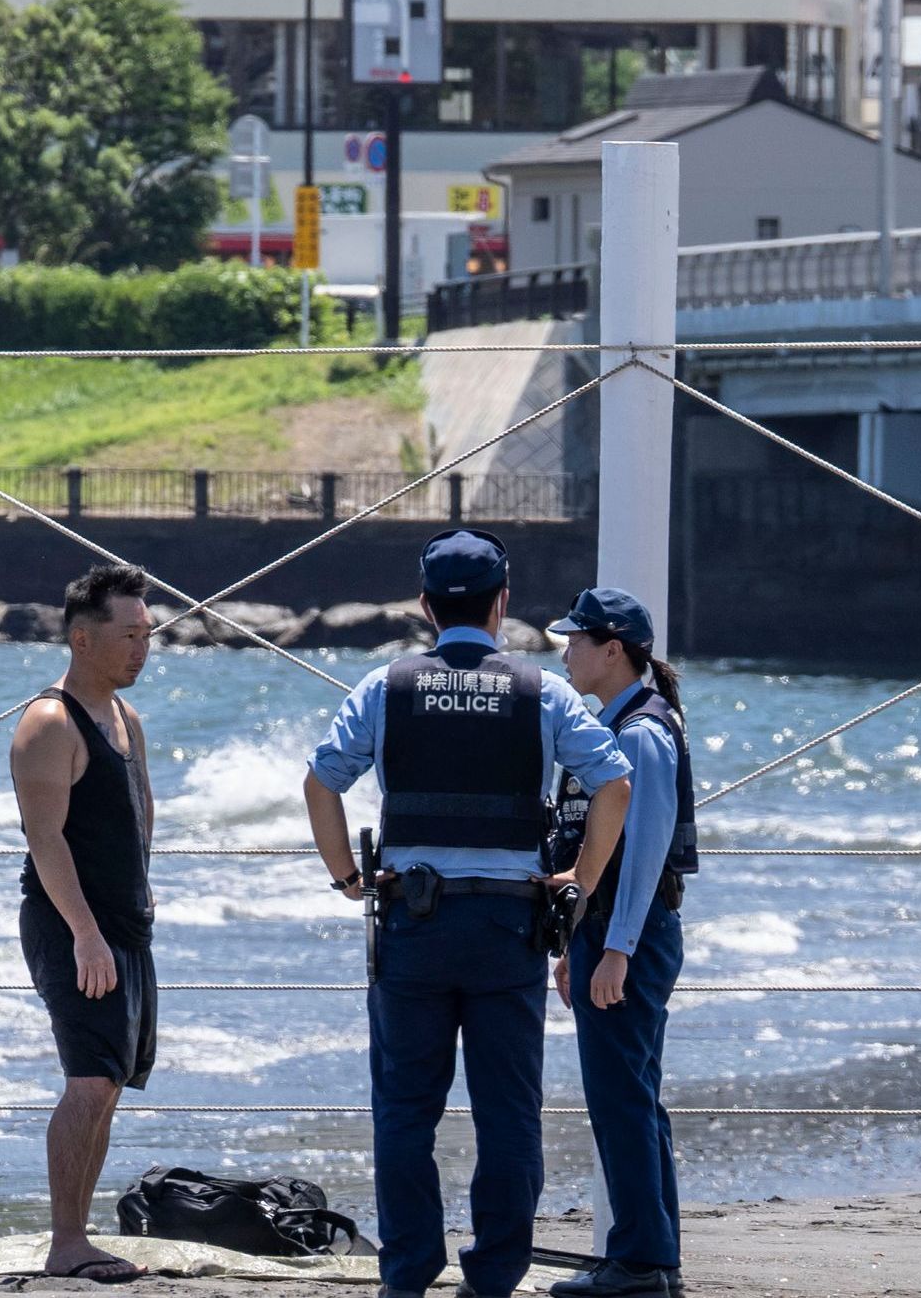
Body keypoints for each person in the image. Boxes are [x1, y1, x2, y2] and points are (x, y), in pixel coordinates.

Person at [302, 528, 635, 1298]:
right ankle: (491, 1276)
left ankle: (408, 1272)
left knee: (405, 1111)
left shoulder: (384, 686)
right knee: (509, 1113)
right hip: (507, 927)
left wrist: (348, 876)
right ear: (503, 602)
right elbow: (613, 781)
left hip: (412, 925)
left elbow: (322, 784)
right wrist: (579, 881)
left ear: (424, 604)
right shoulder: (542, 690)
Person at [544, 587, 695, 1298]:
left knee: (622, 1100)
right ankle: (651, 1256)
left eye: (576, 640)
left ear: (614, 650)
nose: (565, 651)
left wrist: (616, 949)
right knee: (632, 1096)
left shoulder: (640, 730)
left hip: (630, 932)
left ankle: (637, 1263)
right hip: (607, 931)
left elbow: (645, 853)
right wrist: (576, 941)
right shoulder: (609, 722)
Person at [12, 562, 161, 1283]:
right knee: (88, 1082)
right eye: (129, 634)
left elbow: (139, 814)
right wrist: (86, 932)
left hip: (123, 927)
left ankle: (80, 1232)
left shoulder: (125, 717)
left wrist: (138, 907)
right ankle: (65, 1241)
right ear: (81, 636)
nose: (143, 646)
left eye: (148, 632)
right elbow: (47, 840)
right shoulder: (49, 721)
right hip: (72, 928)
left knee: (109, 1081)